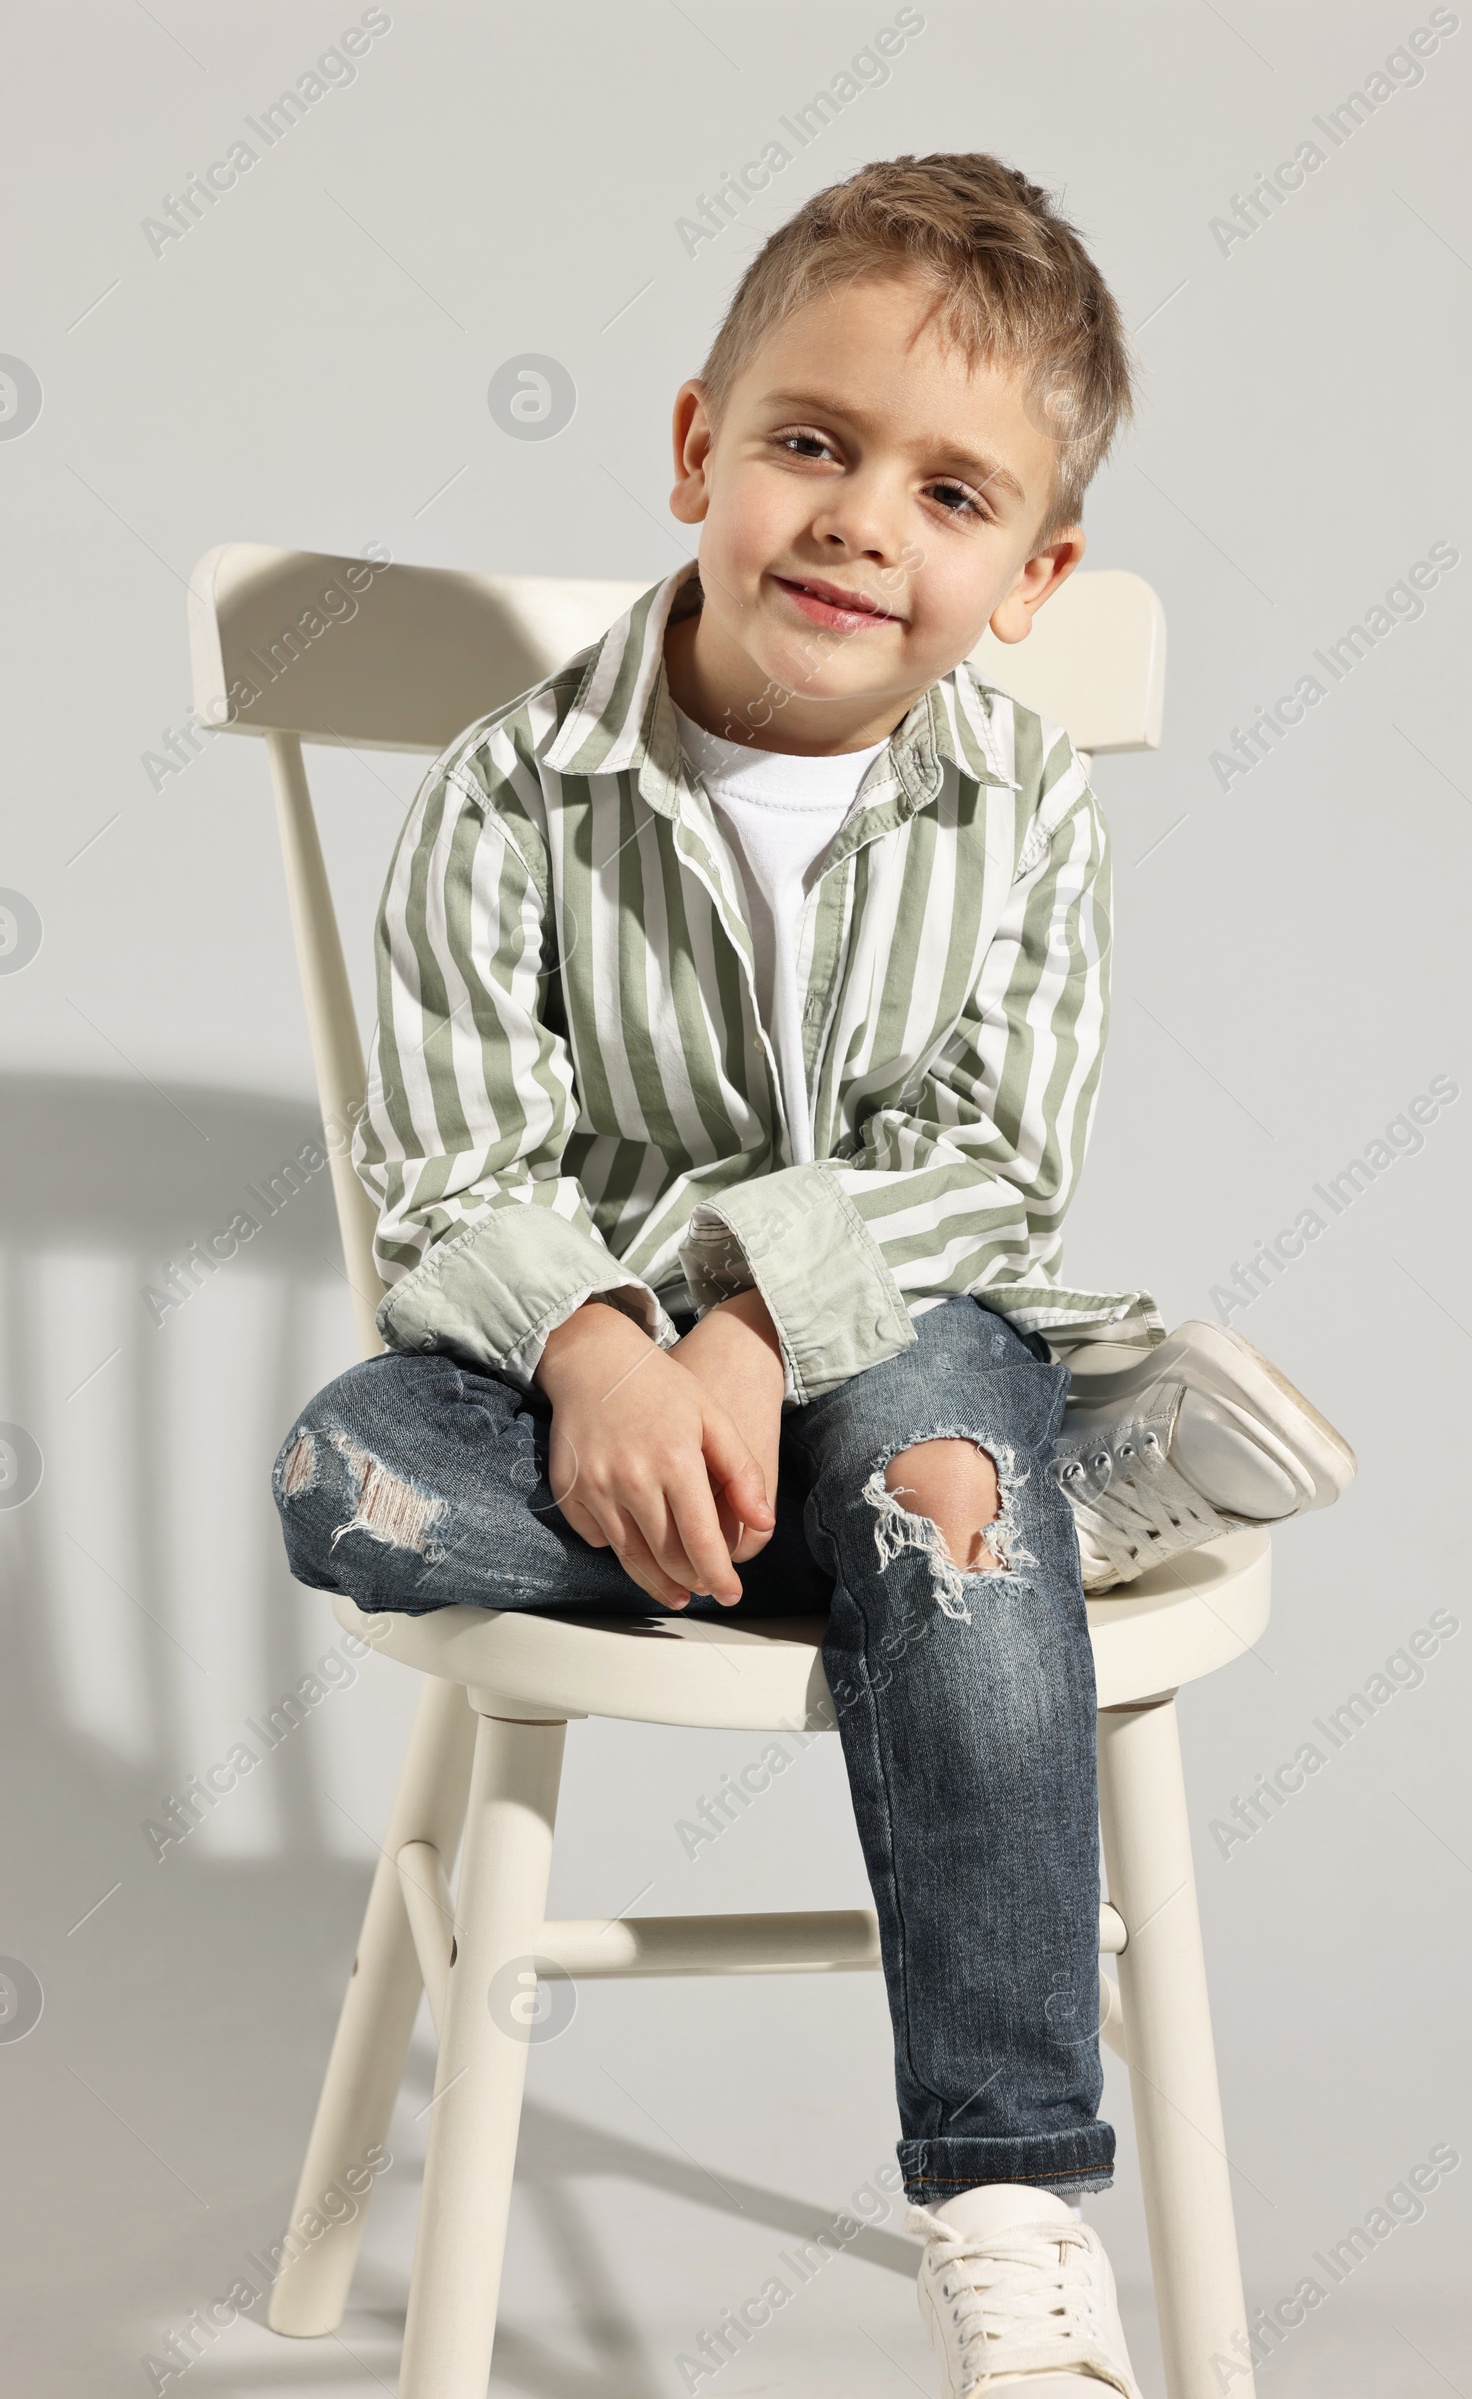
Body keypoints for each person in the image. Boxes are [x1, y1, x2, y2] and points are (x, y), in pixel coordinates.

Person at [273, 153, 1353, 2398]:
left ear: (1031, 572)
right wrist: (602, 1348)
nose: (864, 518)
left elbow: (986, 1164)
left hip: (891, 1346)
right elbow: (451, 1169)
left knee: (933, 1421)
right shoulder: (507, 797)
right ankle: (994, 1540)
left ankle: (1004, 2196)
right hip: (581, 1402)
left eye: (950, 492)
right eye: (808, 445)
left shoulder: (1023, 810)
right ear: (696, 449)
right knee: (354, 1477)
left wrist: (759, 1327)